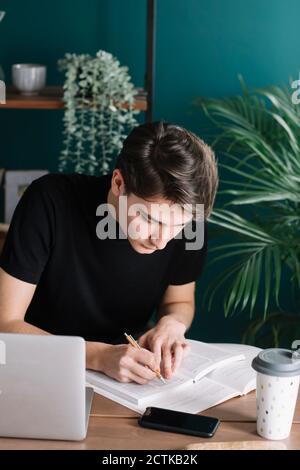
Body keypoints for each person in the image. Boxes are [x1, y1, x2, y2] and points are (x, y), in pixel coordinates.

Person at [0, 121, 218, 384]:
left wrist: (173, 324)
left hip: (123, 377)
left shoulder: (189, 225)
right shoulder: (49, 202)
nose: (162, 240)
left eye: (178, 226)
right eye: (150, 219)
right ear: (118, 183)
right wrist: (98, 356)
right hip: (36, 368)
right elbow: (6, 324)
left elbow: (179, 302)